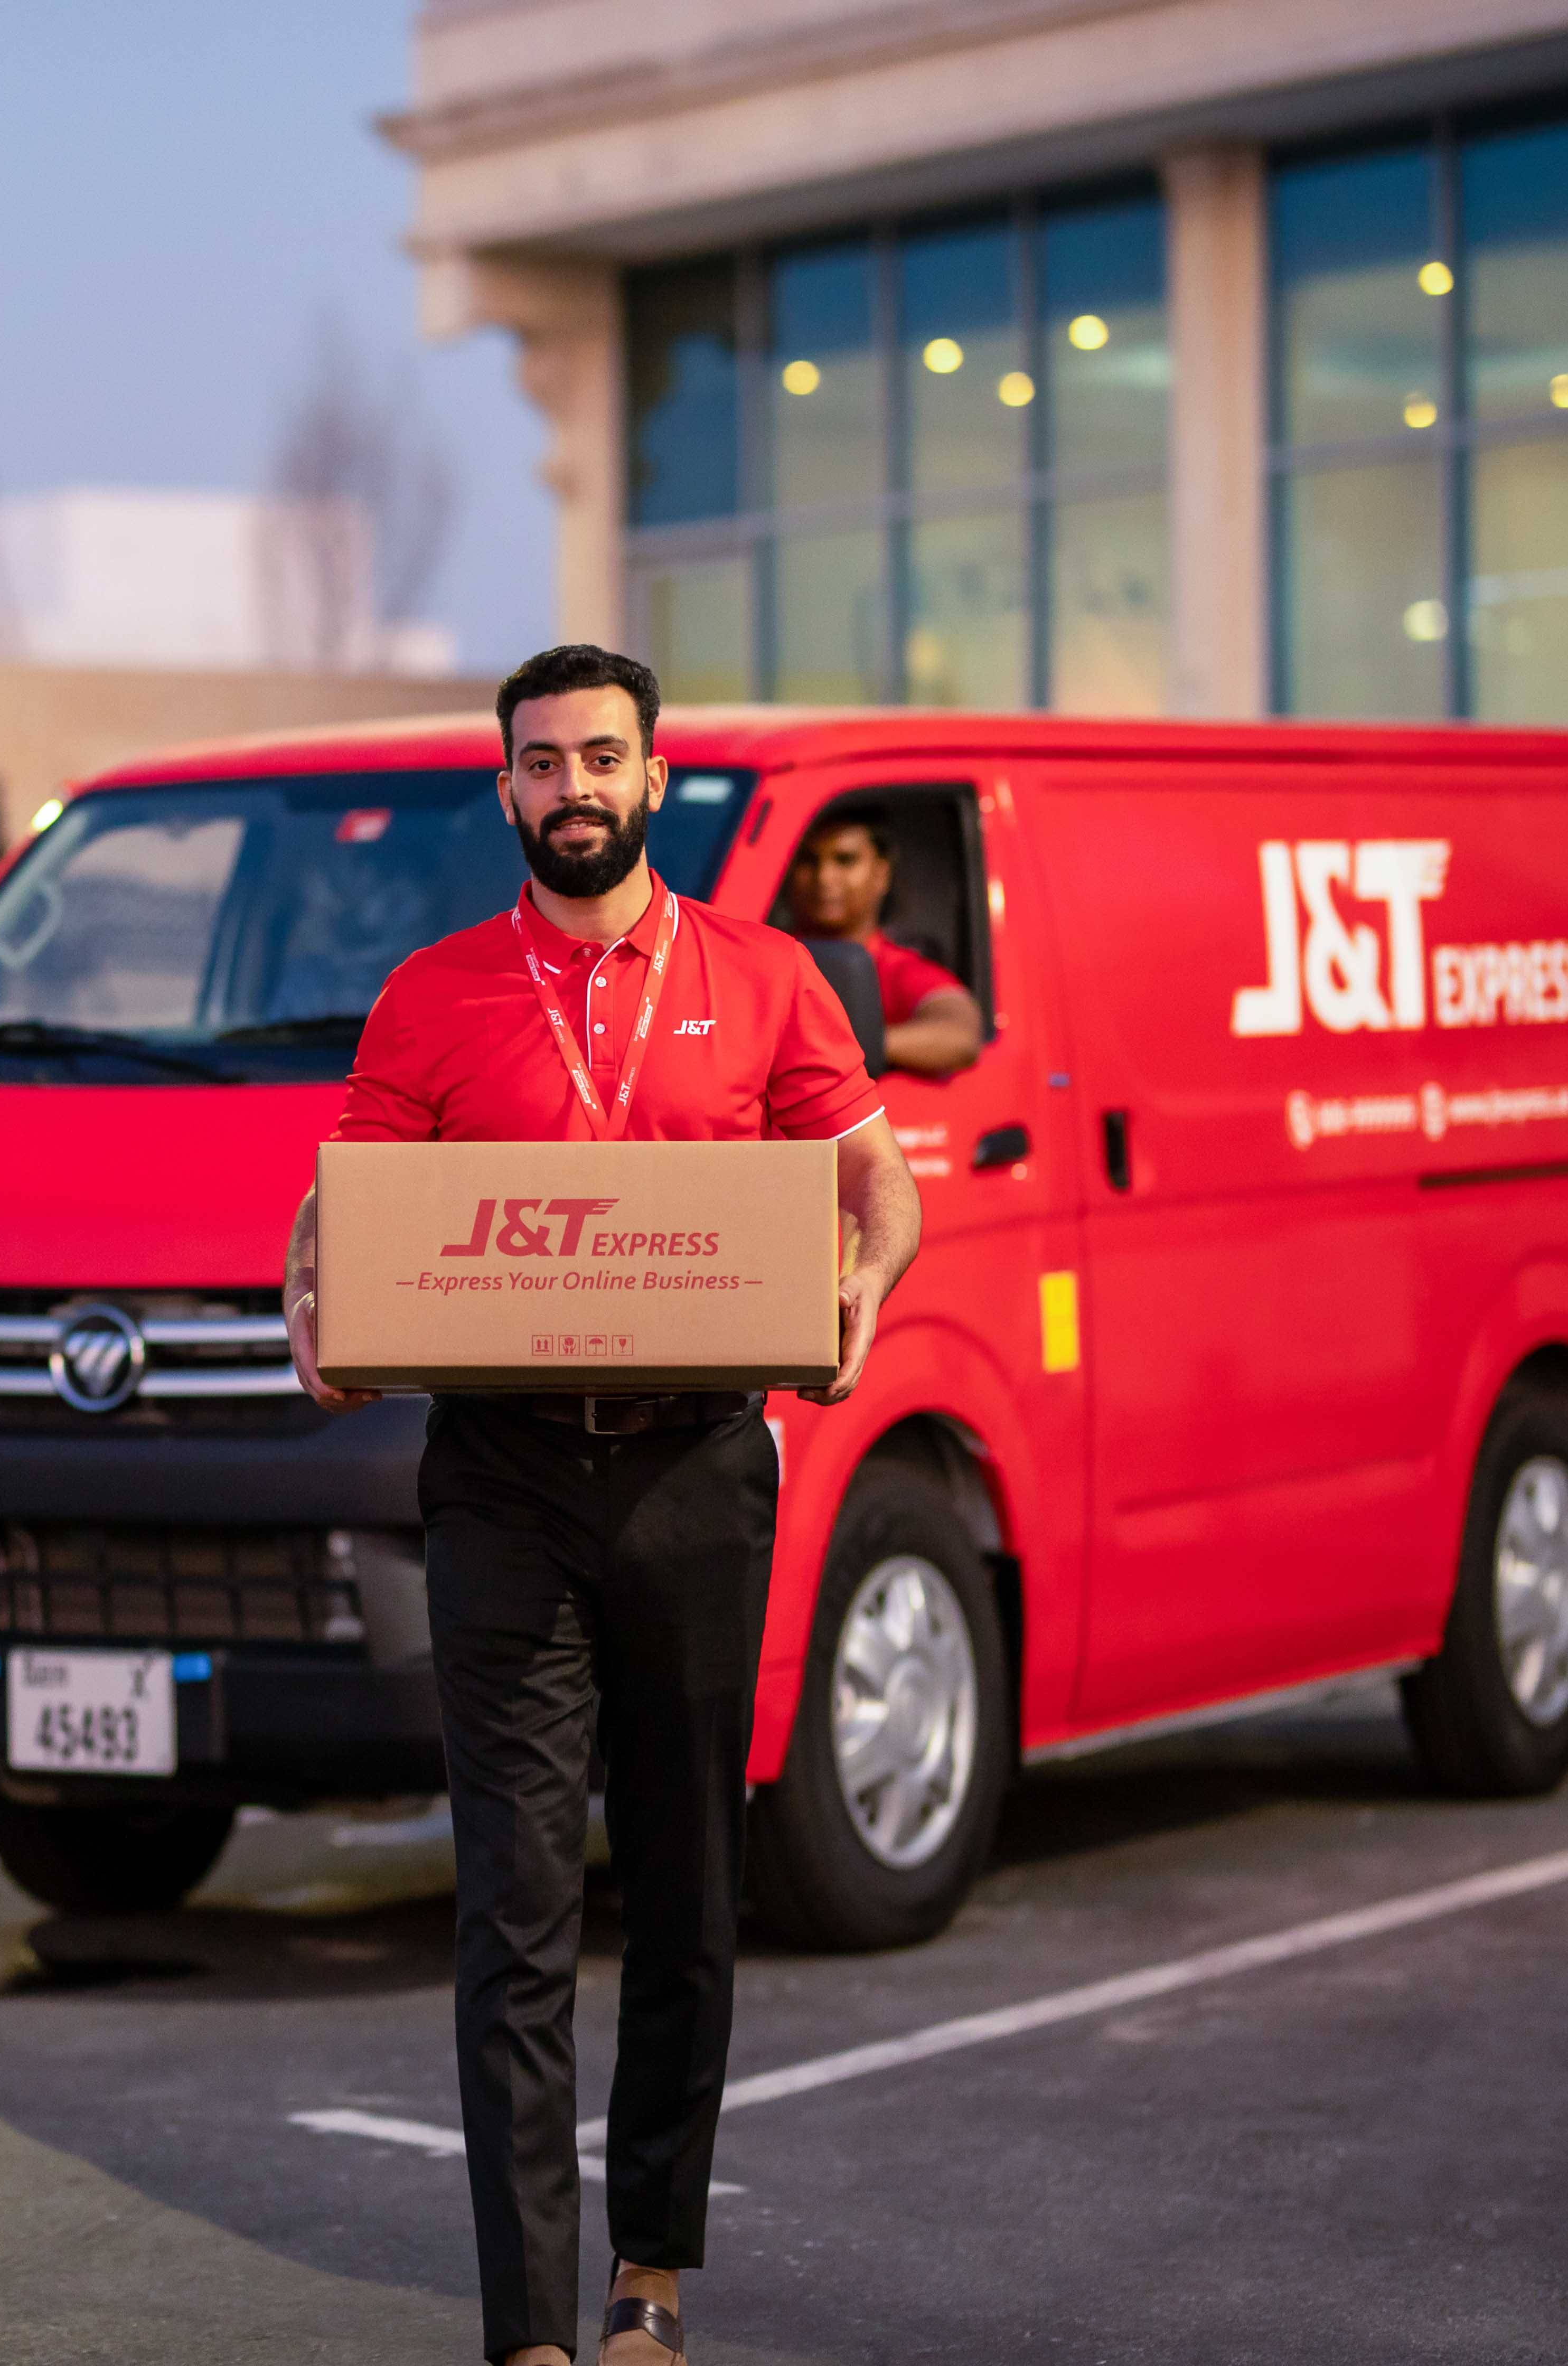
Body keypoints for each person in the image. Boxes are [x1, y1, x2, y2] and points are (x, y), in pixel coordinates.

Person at [284, 645, 922, 2366]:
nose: (573, 789)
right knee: (513, 1910)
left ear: (655, 780)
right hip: (498, 1478)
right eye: (542, 764)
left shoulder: (766, 975)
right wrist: (310, 1308)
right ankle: (530, 2339)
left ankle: (650, 2276)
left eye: (602, 759)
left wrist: (861, 1290)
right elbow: (349, 1207)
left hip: (696, 1467)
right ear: (507, 789)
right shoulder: (431, 995)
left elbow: (874, 1177)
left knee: (691, 1888)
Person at [782, 811, 983, 1076]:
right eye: (809, 860)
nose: (825, 877)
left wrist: (845, 1046)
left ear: (881, 873)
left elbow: (960, 1035)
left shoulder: (897, 969)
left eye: (845, 861)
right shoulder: (767, 955)